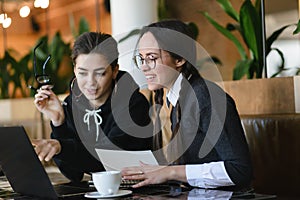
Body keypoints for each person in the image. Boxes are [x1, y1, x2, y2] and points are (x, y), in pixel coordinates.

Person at [121, 19, 253, 190]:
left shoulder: (206, 98)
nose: (144, 67)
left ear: (180, 59)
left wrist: (170, 172)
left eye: (152, 58)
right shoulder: (175, 99)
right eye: (141, 59)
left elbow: (239, 171)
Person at [33, 32, 153, 182]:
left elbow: (108, 160)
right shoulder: (71, 104)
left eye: (100, 74)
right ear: (75, 70)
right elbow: (72, 174)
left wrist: (61, 146)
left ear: (114, 70)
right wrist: (59, 123)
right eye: (83, 73)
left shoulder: (134, 105)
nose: (91, 83)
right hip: (98, 190)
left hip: (138, 190)